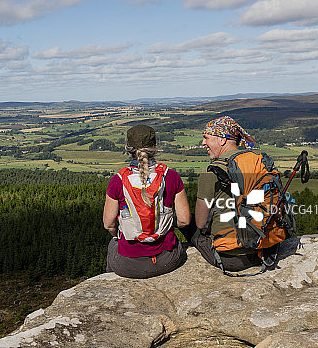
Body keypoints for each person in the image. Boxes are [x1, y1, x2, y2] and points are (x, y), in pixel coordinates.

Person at [103, 124, 191, 278]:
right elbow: (184, 221)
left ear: (128, 148)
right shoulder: (171, 176)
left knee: (113, 244)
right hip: (167, 259)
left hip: (129, 264)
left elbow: (109, 224)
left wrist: (120, 232)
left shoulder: (118, 181)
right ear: (155, 146)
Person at [180, 116, 262, 272]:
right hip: (263, 249)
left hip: (231, 258)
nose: (203, 143)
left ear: (222, 140)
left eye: (206, 138)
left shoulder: (212, 172)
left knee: (184, 220)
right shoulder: (256, 162)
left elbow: (201, 223)